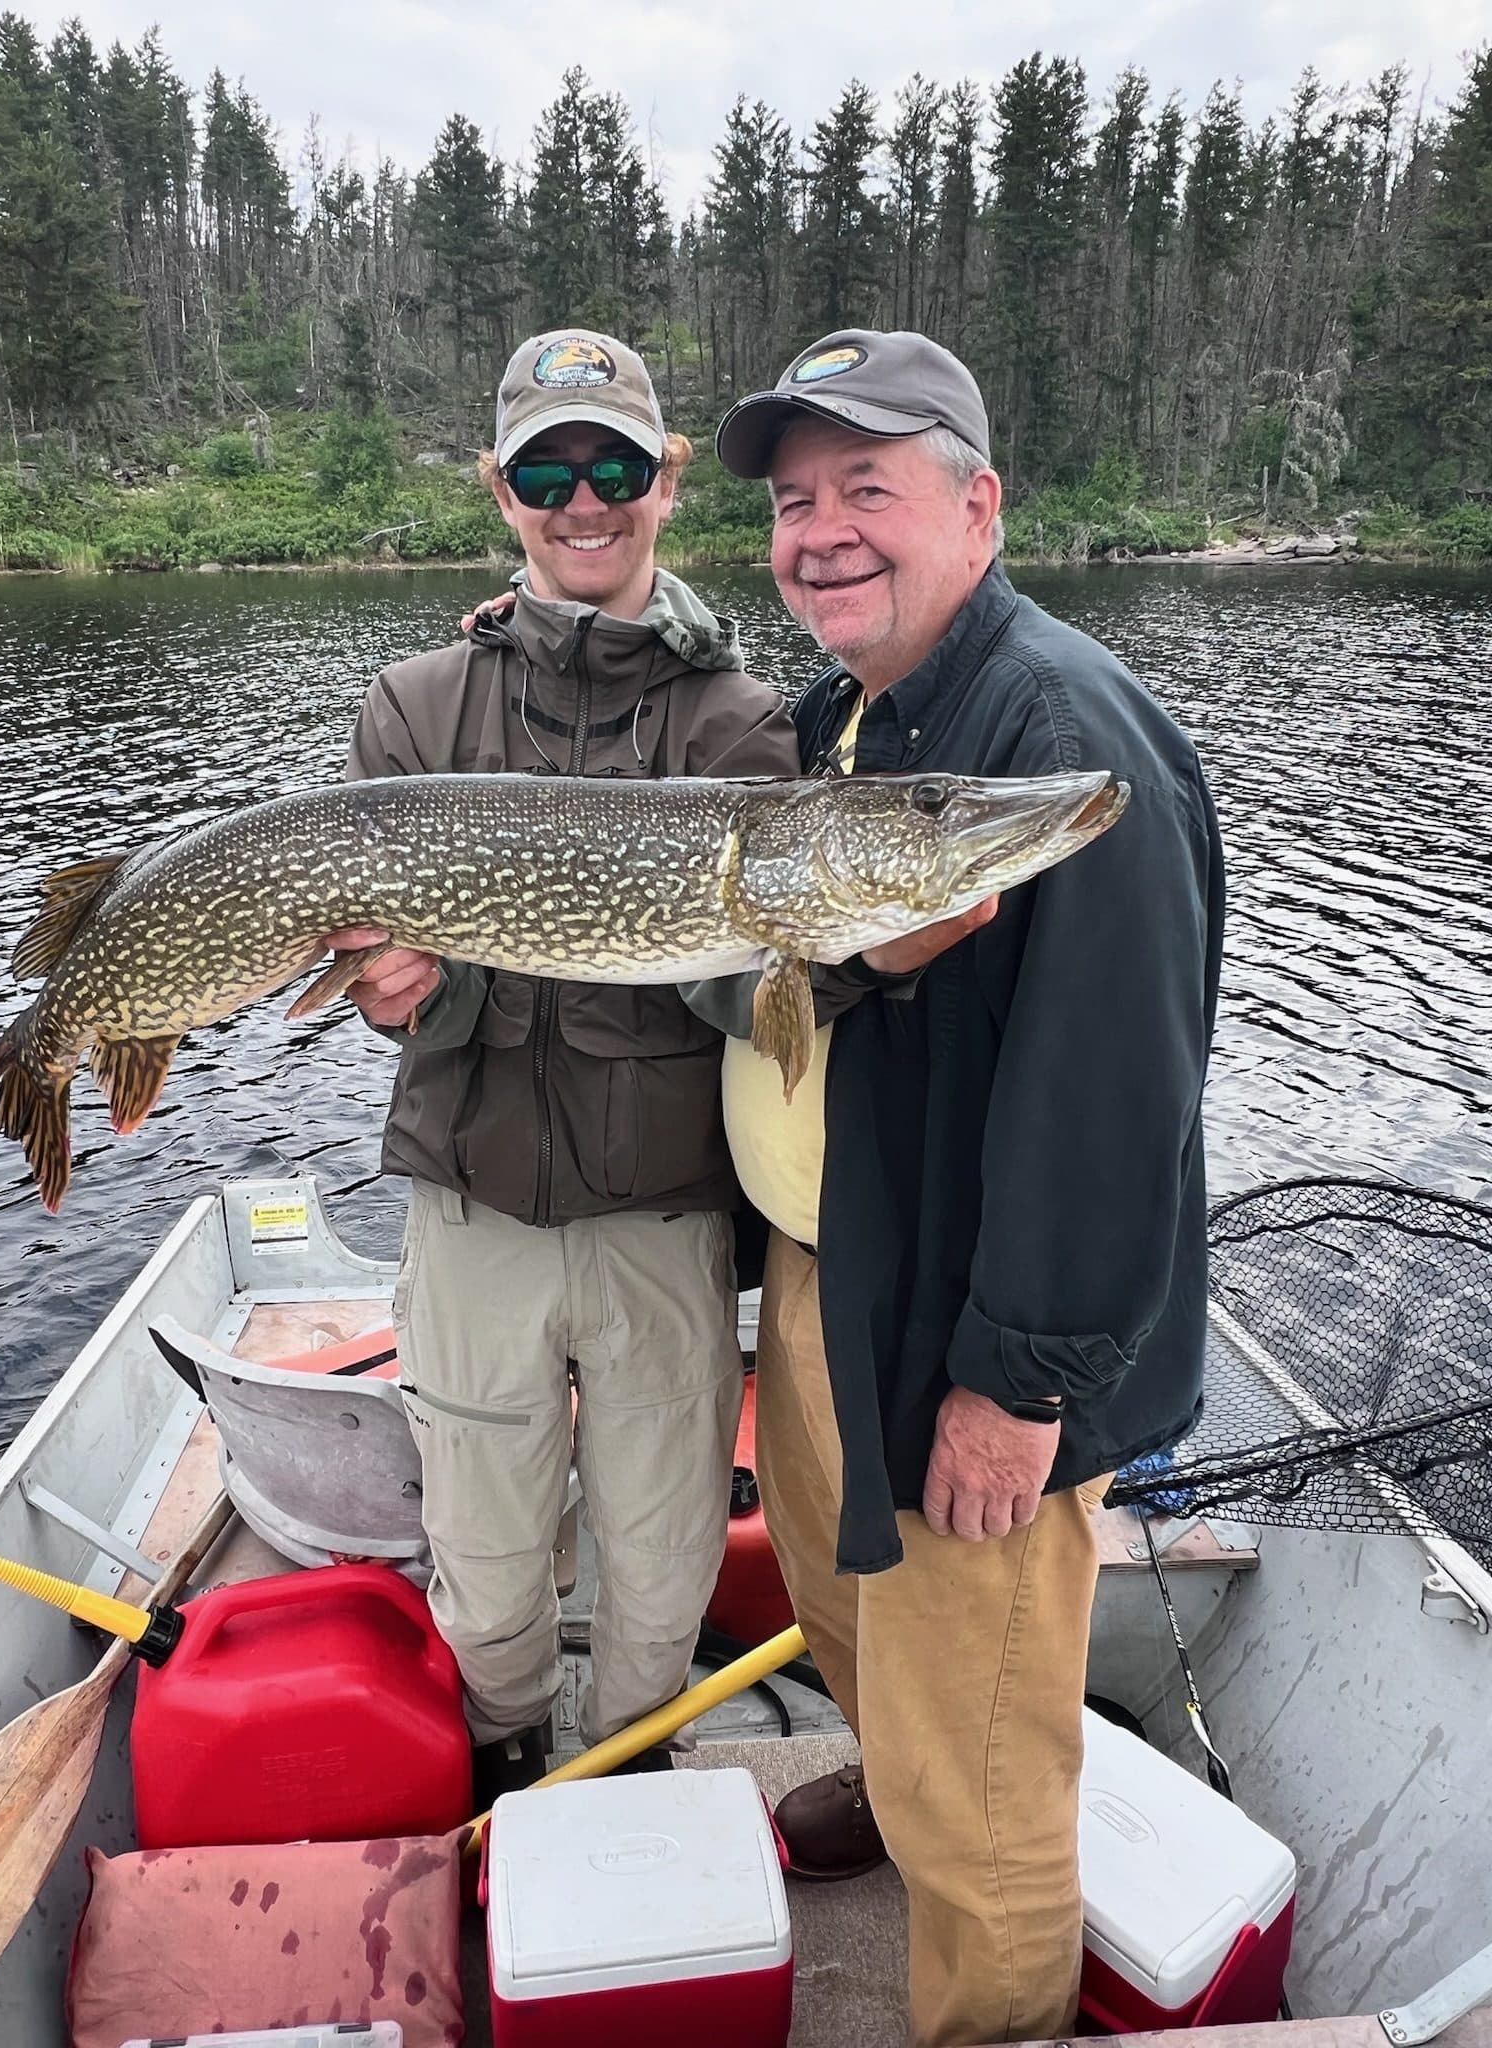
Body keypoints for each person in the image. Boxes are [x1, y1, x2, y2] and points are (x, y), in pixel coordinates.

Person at [706, 329, 1225, 2048]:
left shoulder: (1061, 735)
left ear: (979, 507)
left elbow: (1112, 1106)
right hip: (836, 1276)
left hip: (961, 1334)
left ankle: (984, 1987)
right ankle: (888, 1764)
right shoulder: (850, 711)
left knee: (986, 1792)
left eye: (871, 487)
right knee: (846, 1608)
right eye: (796, 501)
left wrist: (1017, 1386)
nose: (824, 531)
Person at [325, 328, 804, 1803]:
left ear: (665, 482)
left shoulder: (744, 722)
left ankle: (628, 1771)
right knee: (481, 1557)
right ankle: (508, 1748)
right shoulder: (414, 705)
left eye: (613, 464)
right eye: (548, 468)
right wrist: (379, 992)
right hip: (472, 1208)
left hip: (661, 1212)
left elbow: (767, 984)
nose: (581, 497)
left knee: (661, 1566)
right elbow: (356, 963)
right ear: (502, 488)